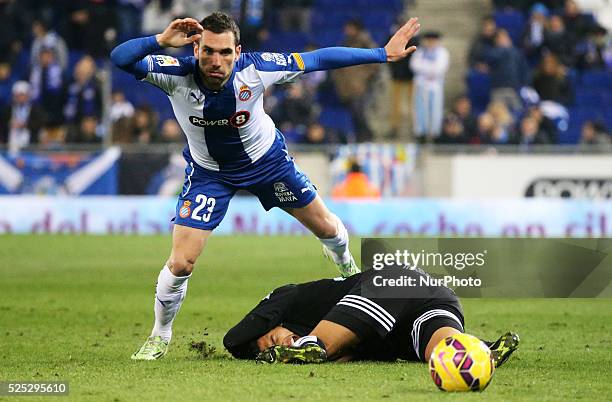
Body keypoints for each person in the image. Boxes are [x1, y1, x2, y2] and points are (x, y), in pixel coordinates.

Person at [111, 12, 421, 360]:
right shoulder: (175, 74)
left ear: (238, 51)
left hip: (268, 165)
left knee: (329, 229)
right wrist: (160, 40)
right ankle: (159, 334)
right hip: (209, 174)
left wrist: (382, 53)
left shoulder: (256, 69)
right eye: (209, 51)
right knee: (181, 263)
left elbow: (318, 59)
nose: (217, 61)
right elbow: (120, 58)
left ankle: (345, 263)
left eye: (225, 53)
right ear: (195, 48)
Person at [223, 267, 519, 366]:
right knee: (443, 353)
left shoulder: (291, 298)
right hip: (431, 296)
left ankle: (312, 348)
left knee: (318, 347)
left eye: (275, 340)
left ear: (273, 321)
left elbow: (233, 338)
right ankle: (479, 352)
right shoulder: (349, 342)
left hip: (389, 284)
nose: (282, 343)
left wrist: (245, 346)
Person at [410, 31, 449, 141]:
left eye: (433, 40)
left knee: (435, 110)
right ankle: (421, 134)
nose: (431, 42)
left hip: (435, 85)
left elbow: (440, 69)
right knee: (420, 110)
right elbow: (414, 66)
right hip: (421, 85)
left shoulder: (442, 53)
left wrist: (426, 68)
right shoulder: (420, 52)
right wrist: (430, 68)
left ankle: (435, 134)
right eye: (429, 40)